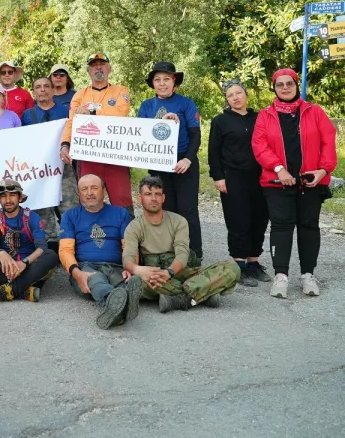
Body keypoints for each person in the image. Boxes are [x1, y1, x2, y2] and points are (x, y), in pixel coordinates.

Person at [252, 68, 337, 298]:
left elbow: (328, 141)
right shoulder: (265, 115)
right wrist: (279, 169)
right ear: (274, 88)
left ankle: (308, 275)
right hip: (276, 182)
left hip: (311, 182)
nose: (285, 88)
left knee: (309, 226)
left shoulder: (314, 111)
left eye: (289, 83)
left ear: (296, 85)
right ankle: (281, 276)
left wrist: (323, 170)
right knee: (281, 226)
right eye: (279, 84)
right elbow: (259, 145)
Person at [123, 177, 239, 312]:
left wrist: (170, 272)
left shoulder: (178, 221)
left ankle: (180, 299)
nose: (153, 199)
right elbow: (128, 257)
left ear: (163, 198)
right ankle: (204, 293)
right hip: (156, 274)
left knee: (233, 268)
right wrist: (138, 270)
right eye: (148, 194)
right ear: (140, 198)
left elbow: (182, 254)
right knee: (137, 282)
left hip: (180, 270)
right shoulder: (134, 227)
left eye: (157, 194)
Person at [137, 61, 203, 259]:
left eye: (166, 79)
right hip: (159, 163)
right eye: (157, 79)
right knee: (165, 209)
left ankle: (194, 254)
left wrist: (188, 159)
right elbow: (141, 135)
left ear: (174, 82)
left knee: (187, 210)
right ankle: (169, 253)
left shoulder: (186, 103)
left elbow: (195, 135)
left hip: (184, 161)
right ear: (153, 83)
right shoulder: (146, 106)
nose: (162, 83)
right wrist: (160, 123)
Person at [208, 80, 271, 287]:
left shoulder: (261, 117)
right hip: (233, 177)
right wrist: (218, 177)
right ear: (227, 100)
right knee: (238, 221)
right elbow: (213, 151)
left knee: (259, 219)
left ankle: (253, 262)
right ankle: (239, 266)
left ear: (246, 95)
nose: (235, 97)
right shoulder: (220, 121)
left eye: (238, 93)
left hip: (260, 176)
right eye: (230, 95)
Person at [59, 174, 142, 330]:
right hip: (86, 267)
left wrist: (130, 266)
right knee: (96, 280)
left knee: (123, 280)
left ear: (103, 191)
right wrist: (76, 273)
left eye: (94, 188)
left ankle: (118, 305)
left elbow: (130, 245)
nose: (89, 193)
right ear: (79, 194)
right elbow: (65, 250)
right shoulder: (69, 216)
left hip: (116, 266)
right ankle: (115, 301)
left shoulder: (120, 213)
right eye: (84, 189)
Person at [60, 53, 133, 212]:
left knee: (122, 200)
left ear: (109, 69)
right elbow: (72, 121)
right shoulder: (80, 95)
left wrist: (92, 112)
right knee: (89, 198)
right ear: (89, 71)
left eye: (102, 64)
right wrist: (65, 144)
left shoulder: (120, 90)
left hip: (116, 155)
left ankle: (127, 228)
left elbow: (121, 113)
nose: (98, 67)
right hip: (89, 156)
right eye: (94, 65)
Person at [0, 179, 59, 303]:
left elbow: (42, 248)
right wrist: (0, 253)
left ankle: (6, 290)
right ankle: (23, 290)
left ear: (20, 198)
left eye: (12, 195)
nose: (8, 200)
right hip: (3, 268)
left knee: (51, 255)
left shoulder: (32, 217)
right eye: (3, 196)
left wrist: (24, 263)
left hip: (28, 268)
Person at [20, 76, 73, 243]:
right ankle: (49, 243)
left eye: (46, 86)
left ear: (52, 90)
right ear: (33, 92)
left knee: (69, 205)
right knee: (43, 207)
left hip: (64, 166)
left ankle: (71, 240)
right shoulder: (27, 115)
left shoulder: (66, 111)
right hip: (39, 168)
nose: (42, 90)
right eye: (38, 87)